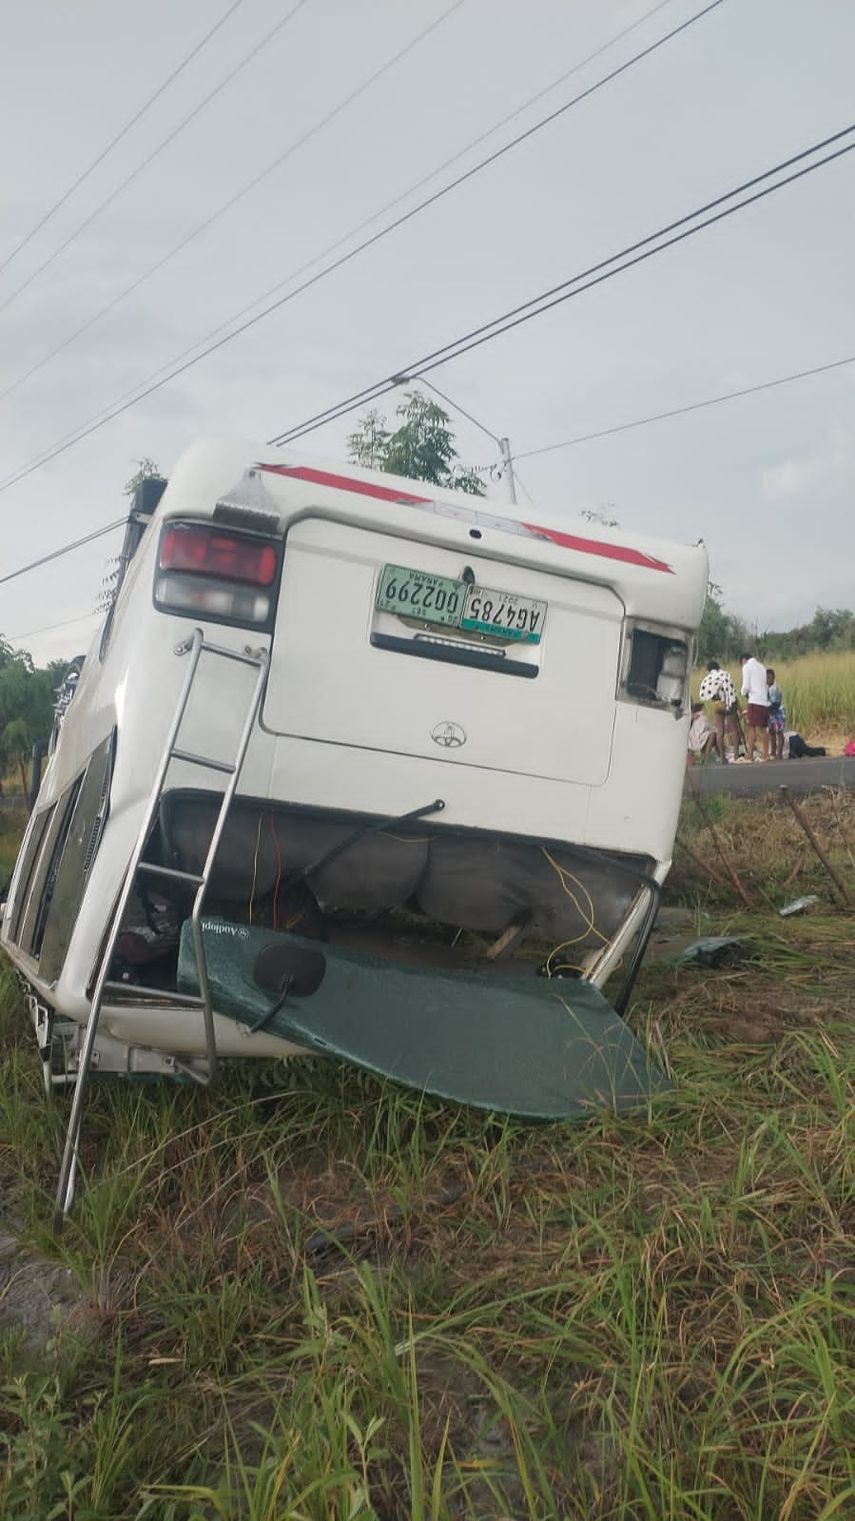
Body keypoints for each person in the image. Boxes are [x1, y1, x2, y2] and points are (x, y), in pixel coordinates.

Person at [698, 659, 739, 760]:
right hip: (727, 703)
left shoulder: (708, 679)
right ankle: (736, 755)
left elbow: (705, 694)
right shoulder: (725, 675)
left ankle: (722, 756)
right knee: (733, 730)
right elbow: (731, 690)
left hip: (717, 705)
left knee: (719, 731)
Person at [739, 651, 770, 762]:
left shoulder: (747, 667)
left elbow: (746, 686)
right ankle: (766, 754)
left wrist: (742, 692)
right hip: (764, 701)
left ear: (744, 660)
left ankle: (750, 755)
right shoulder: (762, 667)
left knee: (751, 728)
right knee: (763, 729)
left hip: (754, 701)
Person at [766, 668, 786, 759]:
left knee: (779, 732)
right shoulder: (767, 687)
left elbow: (774, 703)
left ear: (773, 678)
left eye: (769, 678)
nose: (768, 680)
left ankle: (779, 753)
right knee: (771, 732)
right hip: (770, 713)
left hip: (777, 712)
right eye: (766, 678)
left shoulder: (775, 688)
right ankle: (773, 752)